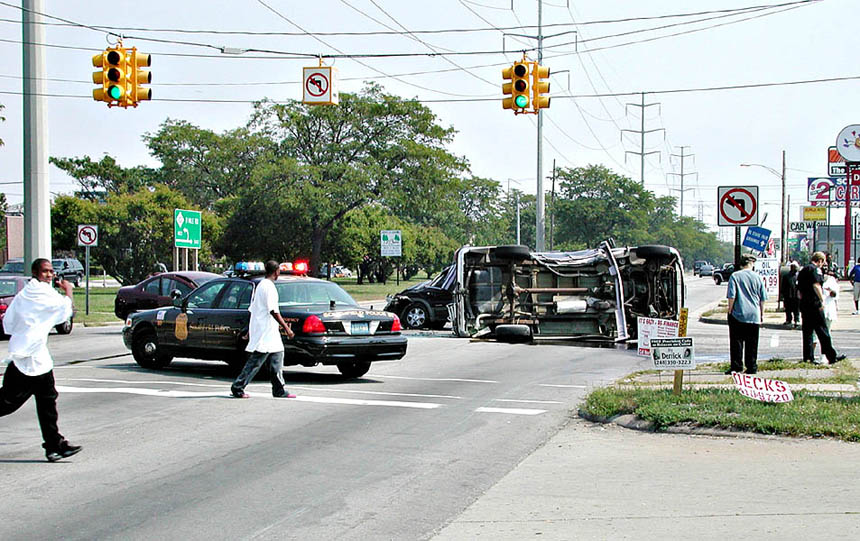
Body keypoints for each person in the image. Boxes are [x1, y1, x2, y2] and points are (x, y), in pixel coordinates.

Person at [0, 258, 81, 462]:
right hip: (25, 360)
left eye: (51, 271)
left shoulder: (25, 295)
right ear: (36, 273)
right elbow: (66, 311)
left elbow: (9, 323)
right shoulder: (38, 293)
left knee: (48, 403)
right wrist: (68, 290)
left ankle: (54, 446)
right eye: (45, 271)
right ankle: (54, 445)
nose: (49, 274)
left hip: (39, 359)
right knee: (6, 403)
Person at [231, 260, 297, 399]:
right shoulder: (268, 287)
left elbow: (253, 310)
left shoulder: (261, 285)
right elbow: (273, 310)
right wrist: (287, 328)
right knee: (256, 362)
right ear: (276, 271)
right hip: (265, 331)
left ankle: (279, 389)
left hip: (269, 332)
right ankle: (238, 387)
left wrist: (249, 331)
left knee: (277, 358)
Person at [797, 251, 846, 365]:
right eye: (822, 262)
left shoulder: (803, 270)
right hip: (814, 304)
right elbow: (816, 285)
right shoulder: (815, 270)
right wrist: (822, 300)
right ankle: (831, 356)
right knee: (822, 330)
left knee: (808, 332)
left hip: (805, 304)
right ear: (820, 261)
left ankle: (808, 357)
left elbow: (799, 290)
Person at [725, 254, 768, 375]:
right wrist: (762, 313)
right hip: (754, 314)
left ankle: (737, 366)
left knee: (736, 342)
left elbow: (731, 296)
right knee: (752, 343)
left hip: (738, 313)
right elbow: (762, 298)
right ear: (751, 263)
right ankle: (751, 366)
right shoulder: (758, 277)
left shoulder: (735, 276)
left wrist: (730, 310)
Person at [781, 262, 800, 328]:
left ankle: (796, 320)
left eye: (795, 266)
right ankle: (788, 320)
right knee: (788, 309)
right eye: (792, 266)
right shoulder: (786, 276)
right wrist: (783, 295)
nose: (794, 268)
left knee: (796, 309)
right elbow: (783, 287)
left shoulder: (799, 276)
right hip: (788, 295)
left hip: (796, 296)